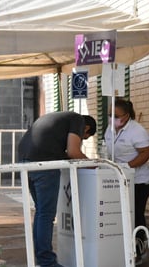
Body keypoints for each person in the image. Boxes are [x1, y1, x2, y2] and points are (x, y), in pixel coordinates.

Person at [18, 111, 96, 267]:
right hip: (44, 164)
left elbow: (64, 152)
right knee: (46, 214)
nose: (81, 141)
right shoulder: (78, 120)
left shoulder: (60, 118)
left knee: (41, 212)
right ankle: (47, 262)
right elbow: (73, 151)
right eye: (83, 137)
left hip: (25, 160)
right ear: (85, 128)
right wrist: (95, 164)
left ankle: (41, 258)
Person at [104, 99, 149, 265]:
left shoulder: (136, 131)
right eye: (109, 114)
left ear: (126, 116)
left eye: (115, 115)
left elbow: (146, 153)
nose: (111, 118)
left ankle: (139, 250)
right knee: (123, 214)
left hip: (140, 180)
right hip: (120, 178)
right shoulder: (110, 129)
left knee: (135, 214)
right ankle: (123, 248)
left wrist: (126, 166)